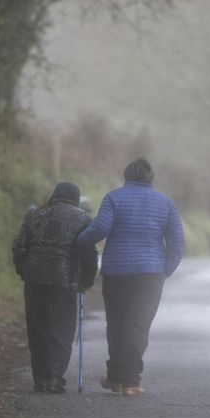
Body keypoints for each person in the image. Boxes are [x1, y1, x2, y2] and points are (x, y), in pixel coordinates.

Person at [77, 158, 184, 396]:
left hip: (117, 272)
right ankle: (129, 381)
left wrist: (79, 242)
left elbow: (100, 228)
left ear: (125, 176)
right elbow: (177, 243)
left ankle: (117, 377)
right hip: (150, 275)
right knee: (138, 326)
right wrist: (164, 270)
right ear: (150, 178)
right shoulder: (166, 202)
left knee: (116, 325)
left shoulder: (114, 198)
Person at [12, 182, 98, 393]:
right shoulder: (83, 218)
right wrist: (86, 280)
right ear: (75, 199)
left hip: (35, 278)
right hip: (64, 280)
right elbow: (89, 253)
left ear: (54, 196)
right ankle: (53, 378)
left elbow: (19, 246)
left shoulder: (34, 214)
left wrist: (23, 270)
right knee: (62, 327)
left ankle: (40, 378)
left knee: (37, 328)